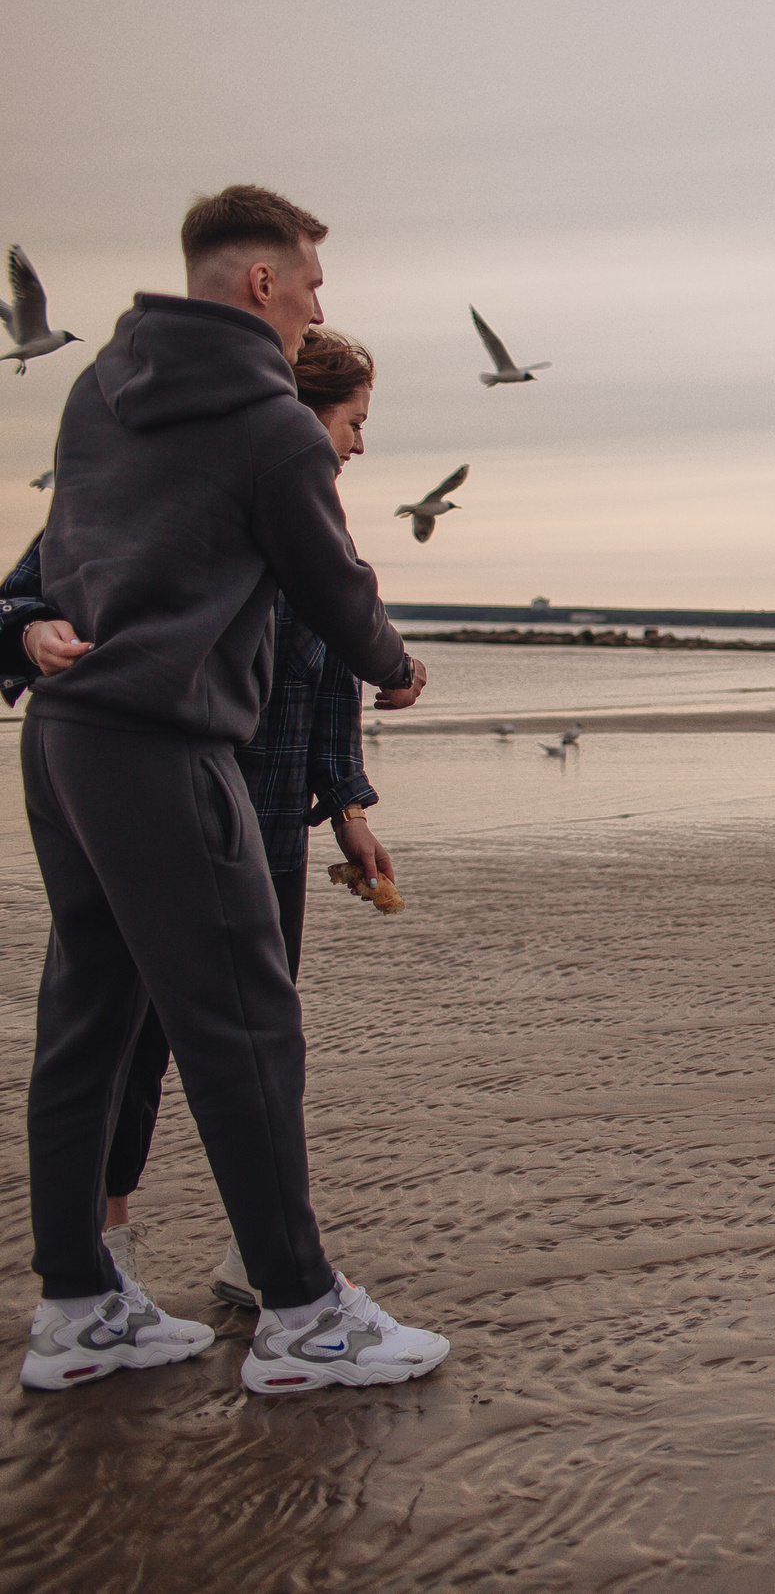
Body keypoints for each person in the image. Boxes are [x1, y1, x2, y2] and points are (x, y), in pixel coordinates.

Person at [9, 184, 448, 1394]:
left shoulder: (100, 389)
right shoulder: (274, 424)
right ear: (260, 281)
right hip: (162, 741)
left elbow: (62, 560)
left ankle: (79, 1308)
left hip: (64, 741)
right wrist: (396, 667)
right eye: (311, 283)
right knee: (245, 1027)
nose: (316, 307)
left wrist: (24, 637)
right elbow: (330, 578)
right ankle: (307, 1316)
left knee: (87, 1025)